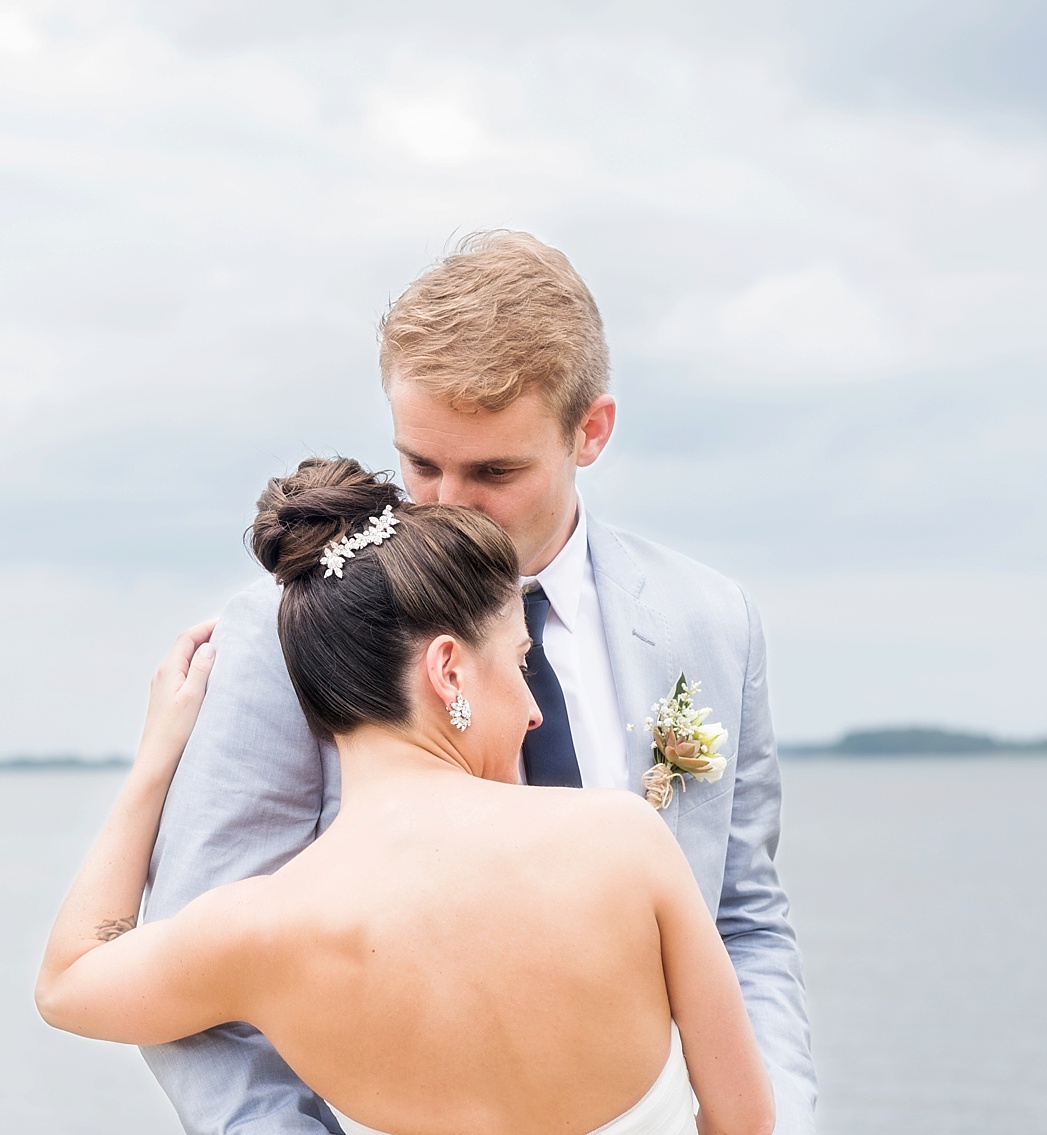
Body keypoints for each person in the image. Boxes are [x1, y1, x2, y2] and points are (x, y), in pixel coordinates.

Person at [143, 232, 813, 1134]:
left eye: (494, 470)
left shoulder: (713, 621)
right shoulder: (283, 635)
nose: (445, 503)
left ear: (592, 431)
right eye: (421, 463)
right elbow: (194, 983)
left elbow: (745, 921)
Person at [36, 458, 775, 1135]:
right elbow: (744, 1120)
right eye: (518, 661)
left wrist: (154, 759)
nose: (532, 709)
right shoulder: (624, 841)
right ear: (448, 669)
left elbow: (66, 981)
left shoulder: (256, 931)